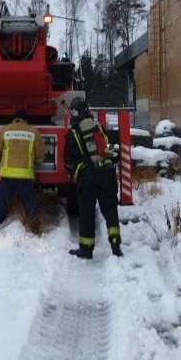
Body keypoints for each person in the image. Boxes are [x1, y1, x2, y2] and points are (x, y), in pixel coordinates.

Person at [65, 97, 123, 259]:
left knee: (87, 212)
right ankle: (115, 244)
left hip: (88, 177)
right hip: (107, 173)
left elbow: (69, 161)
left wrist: (73, 174)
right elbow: (106, 148)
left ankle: (86, 249)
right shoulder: (98, 127)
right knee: (110, 209)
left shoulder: (72, 133)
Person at [0, 108, 46, 234]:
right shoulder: (33, 132)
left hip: (7, 175)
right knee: (29, 203)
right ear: (26, 120)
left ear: (14, 118)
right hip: (25, 176)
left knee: (2, 201)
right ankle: (35, 226)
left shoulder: (5, 130)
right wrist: (38, 161)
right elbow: (40, 157)